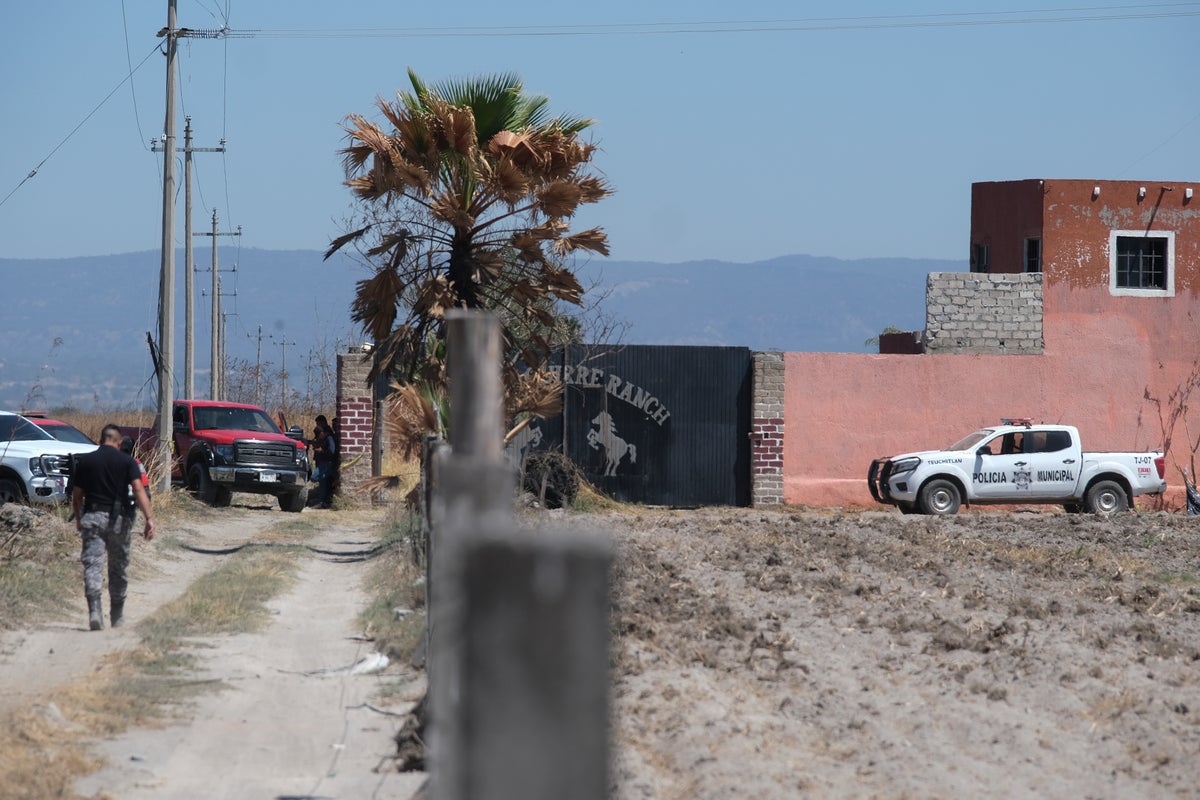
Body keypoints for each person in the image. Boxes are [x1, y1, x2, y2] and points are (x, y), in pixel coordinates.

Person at [69, 424, 155, 630]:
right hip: (120, 520)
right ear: (119, 443)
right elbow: (138, 489)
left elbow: (77, 494)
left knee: (93, 565)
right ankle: (117, 615)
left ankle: (95, 612)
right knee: (118, 568)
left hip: (93, 518)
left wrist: (79, 518)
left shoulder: (86, 461)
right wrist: (149, 518)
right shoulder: (127, 461)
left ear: (100, 441)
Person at [311, 414, 337, 509]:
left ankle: (323, 501)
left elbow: (331, 450)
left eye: (318, 423)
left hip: (327, 462)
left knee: (315, 478)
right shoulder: (323, 434)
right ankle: (321, 501)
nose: (317, 425)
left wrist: (322, 451)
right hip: (322, 461)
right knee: (323, 482)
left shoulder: (328, 435)